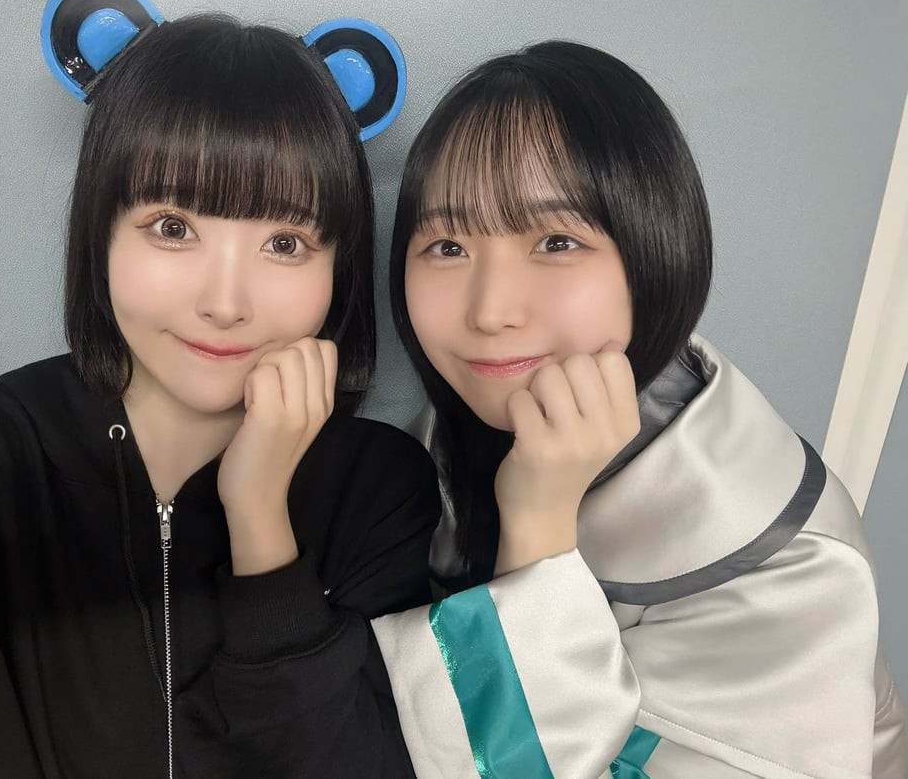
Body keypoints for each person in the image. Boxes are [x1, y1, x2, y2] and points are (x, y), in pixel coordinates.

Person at [0, 14, 440, 778]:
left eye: (285, 243)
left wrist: (259, 518)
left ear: (337, 265)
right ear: (103, 232)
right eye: (172, 227)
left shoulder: (382, 490)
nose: (225, 303)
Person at [371, 40, 906, 777]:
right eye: (447, 247)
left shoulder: (792, 572)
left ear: (655, 250)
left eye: (556, 240)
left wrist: (538, 527)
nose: (489, 312)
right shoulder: (437, 443)